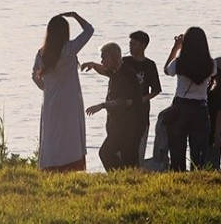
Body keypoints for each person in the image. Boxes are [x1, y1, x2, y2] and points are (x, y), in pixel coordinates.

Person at [31, 11, 93, 171]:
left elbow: (35, 76)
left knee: (51, 135)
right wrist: (75, 15)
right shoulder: (70, 49)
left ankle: (50, 166)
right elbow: (89, 30)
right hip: (69, 100)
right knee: (68, 135)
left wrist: (46, 87)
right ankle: (69, 166)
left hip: (51, 100)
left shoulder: (42, 53)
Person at [82, 42, 146, 170]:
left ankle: (127, 180)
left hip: (131, 125)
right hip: (120, 124)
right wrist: (93, 65)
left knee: (127, 158)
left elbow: (126, 101)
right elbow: (104, 71)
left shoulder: (126, 74)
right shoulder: (115, 71)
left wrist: (101, 105)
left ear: (115, 58)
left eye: (104, 58)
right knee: (107, 153)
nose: (102, 61)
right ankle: (120, 178)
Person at [164, 27, 216, 171]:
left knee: (177, 149)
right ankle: (197, 176)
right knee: (198, 152)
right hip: (200, 108)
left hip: (180, 107)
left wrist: (175, 48)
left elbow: (167, 70)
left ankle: (178, 175)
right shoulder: (211, 64)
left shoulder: (179, 62)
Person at [123, 30, 162, 163]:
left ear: (143, 45)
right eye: (130, 44)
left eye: (134, 44)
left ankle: (136, 173)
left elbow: (156, 89)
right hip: (123, 112)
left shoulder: (149, 65)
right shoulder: (124, 62)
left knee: (138, 150)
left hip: (141, 114)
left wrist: (140, 101)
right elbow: (108, 70)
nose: (131, 47)